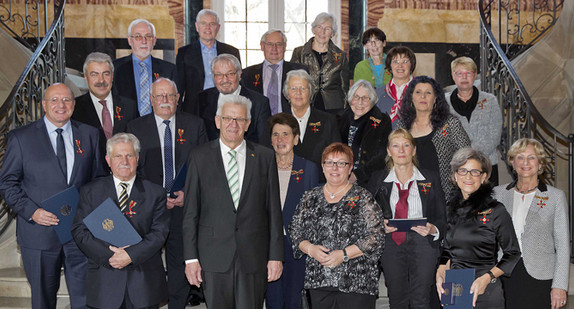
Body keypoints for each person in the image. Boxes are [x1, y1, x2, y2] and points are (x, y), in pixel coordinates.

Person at [0, 83, 102, 309]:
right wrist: (32, 212)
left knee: (85, 299)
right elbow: (6, 183)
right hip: (39, 234)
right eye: (54, 100)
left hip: (80, 233)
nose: (60, 105)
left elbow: (99, 181)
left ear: (74, 105)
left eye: (66, 100)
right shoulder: (21, 138)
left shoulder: (89, 135)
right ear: (44, 104)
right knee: (43, 300)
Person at [182, 94, 283, 308]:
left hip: (253, 257)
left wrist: (276, 256)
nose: (233, 124)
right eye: (228, 118)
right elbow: (190, 212)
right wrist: (191, 259)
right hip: (213, 257)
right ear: (217, 121)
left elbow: (274, 211)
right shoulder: (199, 157)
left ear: (248, 124)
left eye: (239, 119)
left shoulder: (265, 157)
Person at [126, 78, 208, 309]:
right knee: (147, 264)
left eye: (170, 96)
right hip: (149, 209)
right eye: (159, 96)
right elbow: (131, 171)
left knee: (179, 262)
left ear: (177, 98)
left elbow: (204, 167)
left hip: (183, 207)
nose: (165, 101)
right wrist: (157, 199)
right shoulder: (135, 128)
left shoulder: (195, 125)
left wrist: (187, 193)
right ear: (151, 100)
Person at [72, 133, 170, 308]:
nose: (124, 160)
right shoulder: (91, 192)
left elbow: (159, 233)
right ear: (108, 160)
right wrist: (111, 256)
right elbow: (80, 231)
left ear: (137, 159)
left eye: (129, 155)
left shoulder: (155, 193)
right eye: (118, 156)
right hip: (105, 280)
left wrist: (130, 255)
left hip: (144, 282)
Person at [289, 142, 384, 309]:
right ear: (323, 167)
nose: (335, 168)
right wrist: (311, 249)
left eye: (341, 163)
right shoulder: (310, 197)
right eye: (329, 162)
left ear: (350, 168)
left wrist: (344, 254)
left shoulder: (363, 197)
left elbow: (376, 236)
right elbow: (295, 231)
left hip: (357, 282)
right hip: (319, 281)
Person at [366, 128, 446, 309]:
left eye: (406, 145)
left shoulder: (430, 177)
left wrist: (433, 229)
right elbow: (367, 214)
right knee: (397, 298)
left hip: (423, 242)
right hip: (391, 243)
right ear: (388, 151)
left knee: (421, 298)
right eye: (396, 145)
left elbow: (441, 215)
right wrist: (379, 226)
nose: (401, 151)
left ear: (414, 150)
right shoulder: (378, 179)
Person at [436, 147, 521, 309]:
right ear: (455, 176)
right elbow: (447, 250)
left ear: (483, 177)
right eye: (462, 171)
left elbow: (513, 253)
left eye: (474, 172)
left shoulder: (496, 210)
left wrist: (487, 278)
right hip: (455, 287)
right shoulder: (448, 209)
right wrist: (440, 273)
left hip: (486, 287)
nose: (468, 177)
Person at [493, 138, 569, 309]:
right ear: (512, 162)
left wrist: (560, 285)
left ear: (540, 163)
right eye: (520, 157)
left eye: (531, 157)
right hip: (503, 274)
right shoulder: (498, 194)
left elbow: (563, 245)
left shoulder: (555, 197)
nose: (525, 162)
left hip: (540, 275)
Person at [265, 113, 320, 309]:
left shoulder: (308, 168)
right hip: (268, 245)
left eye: (286, 134)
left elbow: (314, 211)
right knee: (272, 299)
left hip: (297, 246)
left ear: (296, 139)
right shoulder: (261, 166)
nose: (280, 140)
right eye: (275, 134)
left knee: (293, 299)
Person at [397, 75, 470, 201]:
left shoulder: (450, 124)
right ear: (411, 98)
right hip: (409, 197)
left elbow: (468, 156)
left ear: (435, 99)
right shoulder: (402, 126)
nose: (423, 96)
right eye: (418, 92)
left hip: (444, 197)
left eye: (428, 93)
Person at [445, 56, 502, 185]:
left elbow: (495, 135)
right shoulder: (443, 102)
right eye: (459, 73)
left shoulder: (490, 101)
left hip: (486, 166)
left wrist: (473, 159)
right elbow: (443, 136)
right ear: (453, 76)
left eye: (468, 73)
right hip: (456, 169)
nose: (464, 77)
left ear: (475, 75)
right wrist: (462, 161)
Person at [73, 52, 139, 160]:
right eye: (94, 74)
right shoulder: (76, 108)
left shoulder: (129, 106)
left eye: (106, 74)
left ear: (112, 76)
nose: (101, 80)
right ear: (86, 77)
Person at [176, 9, 241, 115]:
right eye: (203, 23)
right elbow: (179, 86)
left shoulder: (232, 52)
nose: (208, 28)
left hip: (225, 106)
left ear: (218, 28)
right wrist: (177, 114)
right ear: (197, 27)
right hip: (194, 109)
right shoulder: (184, 53)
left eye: (212, 24)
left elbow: (238, 82)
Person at [198, 54, 271, 143]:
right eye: (219, 74)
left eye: (230, 74)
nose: (225, 80)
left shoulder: (259, 102)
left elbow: (264, 143)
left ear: (239, 75)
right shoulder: (201, 99)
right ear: (214, 77)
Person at [113, 19, 177, 117]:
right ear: (130, 40)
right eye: (138, 37)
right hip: (126, 126)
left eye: (148, 36)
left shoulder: (169, 70)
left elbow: (175, 105)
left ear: (154, 41)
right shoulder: (115, 68)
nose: (144, 41)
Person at [291, 12, 349, 114]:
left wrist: (345, 112)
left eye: (327, 28)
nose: (322, 32)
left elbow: (345, 88)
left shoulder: (340, 56)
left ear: (332, 33)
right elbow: (291, 82)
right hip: (305, 105)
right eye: (319, 27)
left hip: (334, 110)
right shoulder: (299, 53)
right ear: (313, 29)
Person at [281, 69, 340, 167]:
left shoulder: (328, 121)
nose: (298, 93)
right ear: (287, 94)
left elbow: (336, 154)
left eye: (303, 88)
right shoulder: (278, 122)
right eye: (294, 88)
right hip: (287, 179)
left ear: (311, 92)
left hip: (320, 179)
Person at [242, 29, 308, 115]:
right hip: (258, 123)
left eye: (279, 44)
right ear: (262, 46)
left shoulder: (299, 71)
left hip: (290, 122)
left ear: (285, 47)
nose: (274, 48)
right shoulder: (248, 74)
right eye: (269, 44)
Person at [338, 79, 391, 185]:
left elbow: (382, 156)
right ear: (350, 99)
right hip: (340, 178)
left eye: (365, 98)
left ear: (372, 101)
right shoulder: (339, 119)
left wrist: (358, 175)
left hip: (369, 180)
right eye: (356, 97)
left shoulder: (382, 121)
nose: (360, 102)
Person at [375, 46, 416, 127]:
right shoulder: (378, 93)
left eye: (405, 61)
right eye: (395, 61)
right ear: (390, 66)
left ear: (411, 65)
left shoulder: (421, 91)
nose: (400, 66)